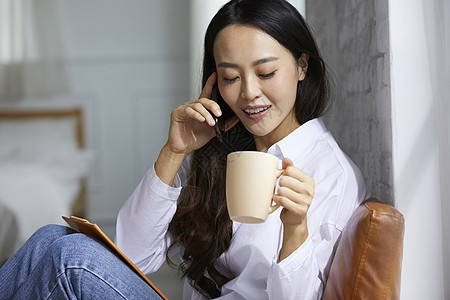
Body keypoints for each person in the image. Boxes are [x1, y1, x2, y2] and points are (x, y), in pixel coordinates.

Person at [0, 0, 366, 299]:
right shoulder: (223, 154)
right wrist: (174, 152)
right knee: (50, 238)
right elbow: (134, 257)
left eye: (266, 73)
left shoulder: (330, 173)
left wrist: (295, 229)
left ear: (302, 65)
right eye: (230, 78)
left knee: (71, 258)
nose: (249, 92)